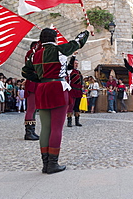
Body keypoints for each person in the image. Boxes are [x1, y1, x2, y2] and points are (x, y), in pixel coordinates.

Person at [22, 25, 92, 174]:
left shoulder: (35, 54)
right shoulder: (59, 50)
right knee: (56, 128)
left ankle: (45, 164)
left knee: (45, 128)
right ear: (55, 38)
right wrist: (87, 30)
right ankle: (53, 163)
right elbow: (78, 42)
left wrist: (40, 79)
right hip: (57, 88)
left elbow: (25, 71)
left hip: (42, 88)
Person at [23, 41, 40, 140]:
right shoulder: (31, 53)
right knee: (31, 108)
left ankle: (32, 131)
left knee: (33, 109)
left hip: (34, 82)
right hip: (33, 82)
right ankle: (28, 133)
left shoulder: (32, 54)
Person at [66, 51, 84, 127]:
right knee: (71, 106)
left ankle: (77, 121)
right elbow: (70, 64)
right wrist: (73, 56)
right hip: (72, 90)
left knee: (77, 106)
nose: (76, 65)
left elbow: (81, 81)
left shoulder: (79, 72)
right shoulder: (70, 71)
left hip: (78, 91)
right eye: (75, 63)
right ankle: (69, 122)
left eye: (77, 64)